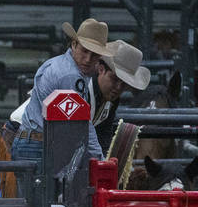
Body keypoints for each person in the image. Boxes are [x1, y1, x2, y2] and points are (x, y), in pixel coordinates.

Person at [11, 18, 114, 169]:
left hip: (31, 142)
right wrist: (100, 160)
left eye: (94, 55)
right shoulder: (71, 76)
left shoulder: (56, 63)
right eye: (84, 51)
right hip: (38, 146)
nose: (88, 59)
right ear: (74, 45)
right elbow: (81, 122)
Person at [91, 39, 150, 153]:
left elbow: (104, 134)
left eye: (124, 84)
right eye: (114, 79)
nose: (118, 87)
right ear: (101, 69)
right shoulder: (82, 89)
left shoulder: (112, 99)